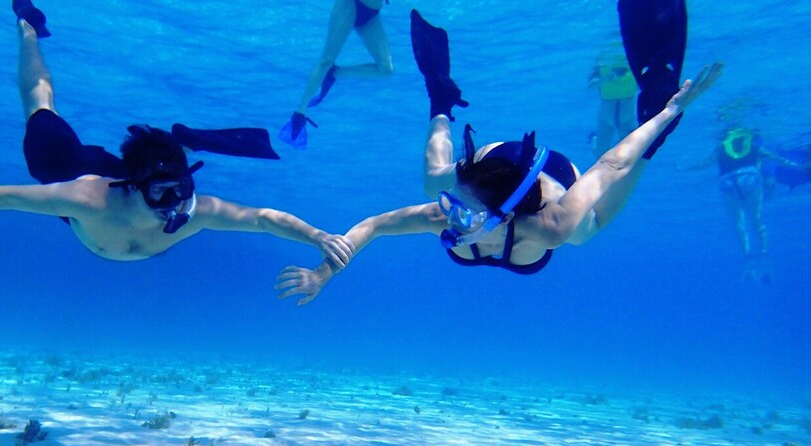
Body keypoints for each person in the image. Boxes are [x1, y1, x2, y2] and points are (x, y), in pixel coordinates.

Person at [276, 4, 722, 305]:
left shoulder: (549, 225)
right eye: (453, 208)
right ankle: (441, 100)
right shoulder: (448, 212)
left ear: (501, 220)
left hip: (550, 174)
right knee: (435, 178)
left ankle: (658, 114)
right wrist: (327, 270)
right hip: (493, 165)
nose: (447, 218)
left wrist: (665, 117)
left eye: (461, 215)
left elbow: (610, 166)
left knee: (587, 229)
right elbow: (372, 226)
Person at [0, 1, 354, 268]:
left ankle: (176, 142)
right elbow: (2, 196)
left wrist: (317, 236)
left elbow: (263, 220)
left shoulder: (194, 208)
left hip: (134, 175)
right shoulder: (86, 199)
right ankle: (28, 25)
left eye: (182, 190)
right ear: (136, 188)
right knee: (39, 105)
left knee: (164, 162)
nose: (176, 205)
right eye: (164, 194)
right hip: (72, 165)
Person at [682, 106, 806, 283]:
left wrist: (685, 168)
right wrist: (798, 167)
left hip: (727, 182)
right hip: (749, 177)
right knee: (756, 219)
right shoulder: (754, 144)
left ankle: (748, 256)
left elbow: (704, 164)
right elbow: (778, 159)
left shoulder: (721, 146)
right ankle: (763, 252)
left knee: (738, 222)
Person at [279, 0, 394, 148]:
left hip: (371, 15)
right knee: (326, 59)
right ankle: (300, 112)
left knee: (385, 69)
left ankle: (336, 73)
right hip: (350, 4)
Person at [588, 43, 638, 158]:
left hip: (628, 108)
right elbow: (590, 86)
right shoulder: (602, 65)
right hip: (607, 108)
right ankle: (594, 139)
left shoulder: (633, 63)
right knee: (600, 153)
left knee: (630, 150)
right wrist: (606, 78)